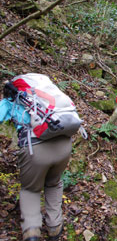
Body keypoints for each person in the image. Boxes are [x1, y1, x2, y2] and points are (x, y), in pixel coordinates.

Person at [0, 81, 72, 241]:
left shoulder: (11, 101)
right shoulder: (49, 97)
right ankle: (54, 228)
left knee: (30, 189)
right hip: (64, 145)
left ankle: (32, 231)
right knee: (54, 183)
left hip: (36, 148)